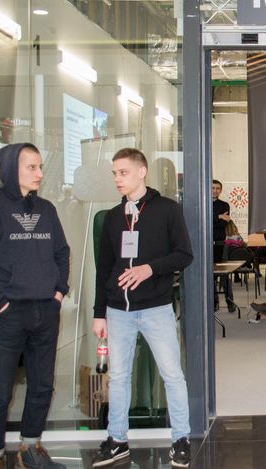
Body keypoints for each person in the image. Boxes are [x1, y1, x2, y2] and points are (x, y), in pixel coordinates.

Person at [91, 148, 194, 468]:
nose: (117, 178)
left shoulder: (167, 210)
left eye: (123, 172)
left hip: (156, 309)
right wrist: (99, 312)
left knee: (172, 375)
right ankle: (117, 439)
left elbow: (184, 255)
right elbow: (104, 268)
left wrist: (150, 269)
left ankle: (181, 439)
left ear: (141, 172)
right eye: (114, 173)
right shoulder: (112, 217)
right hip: (117, 311)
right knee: (118, 378)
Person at [0, 143, 70, 469]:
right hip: (8, 314)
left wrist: (59, 293)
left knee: (42, 385)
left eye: (40, 166)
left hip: (45, 311)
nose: (40, 173)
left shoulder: (46, 209)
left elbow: (62, 252)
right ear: (10, 170)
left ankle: (29, 449)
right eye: (32, 167)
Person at [212, 180, 235, 312]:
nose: (215, 190)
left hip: (221, 244)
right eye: (213, 188)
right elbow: (202, 222)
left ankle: (230, 302)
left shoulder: (224, 205)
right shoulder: (204, 204)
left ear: (220, 190)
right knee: (210, 276)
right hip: (207, 246)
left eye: (217, 188)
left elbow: (223, 224)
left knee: (225, 275)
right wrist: (219, 216)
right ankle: (214, 302)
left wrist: (214, 218)